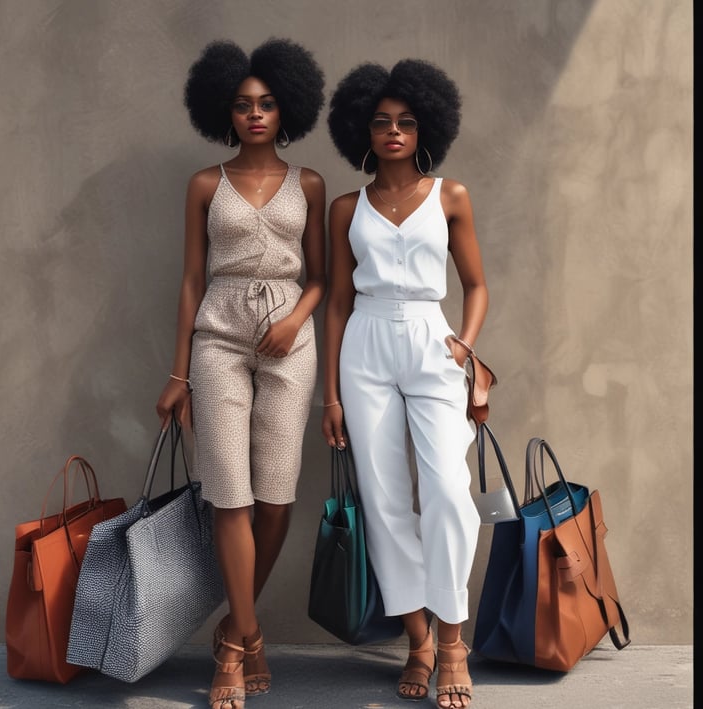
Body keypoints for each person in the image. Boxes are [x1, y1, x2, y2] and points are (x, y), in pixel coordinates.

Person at [156, 38, 326, 709]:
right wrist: (177, 373)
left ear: (287, 109)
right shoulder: (206, 183)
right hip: (218, 338)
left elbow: (324, 277)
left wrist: (295, 318)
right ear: (223, 113)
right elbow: (192, 277)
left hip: (291, 339)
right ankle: (240, 642)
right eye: (242, 105)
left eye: (267, 103)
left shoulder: (308, 183)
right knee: (231, 493)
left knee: (277, 498)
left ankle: (234, 623)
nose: (255, 114)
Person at [321, 59, 487, 709]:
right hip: (363, 345)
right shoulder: (345, 207)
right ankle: (418, 641)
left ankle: (453, 638)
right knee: (385, 499)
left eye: (407, 121)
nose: (394, 131)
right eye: (382, 121)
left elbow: (476, 285)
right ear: (362, 129)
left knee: (447, 487)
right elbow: (336, 301)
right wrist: (329, 394)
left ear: (427, 129)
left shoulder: (451, 196)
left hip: (430, 342)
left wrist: (464, 344)